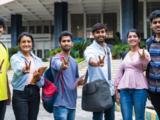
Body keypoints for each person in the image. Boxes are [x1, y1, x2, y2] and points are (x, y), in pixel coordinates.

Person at [114, 29, 151, 120]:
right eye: (130, 37)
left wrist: (143, 58)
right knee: (126, 118)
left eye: (135, 36)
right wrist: (116, 89)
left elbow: (147, 60)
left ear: (139, 39)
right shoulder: (125, 54)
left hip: (140, 89)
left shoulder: (143, 52)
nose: (132, 38)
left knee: (139, 117)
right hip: (124, 90)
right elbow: (119, 72)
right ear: (127, 40)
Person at [84, 23, 115, 120]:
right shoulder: (90, 49)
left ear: (106, 33)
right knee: (97, 117)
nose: (100, 34)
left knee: (110, 117)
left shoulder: (108, 49)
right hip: (97, 90)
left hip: (110, 90)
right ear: (93, 35)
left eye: (102, 32)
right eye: (97, 32)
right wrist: (96, 63)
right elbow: (90, 59)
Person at [10, 32, 44, 120]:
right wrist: (23, 70)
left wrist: (38, 78)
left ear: (32, 43)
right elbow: (18, 69)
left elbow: (42, 82)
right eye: (23, 42)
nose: (26, 44)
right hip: (20, 93)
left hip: (35, 92)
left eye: (29, 42)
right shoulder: (15, 58)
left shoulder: (38, 60)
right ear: (19, 44)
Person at [51, 31, 84, 120]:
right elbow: (58, 65)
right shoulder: (56, 58)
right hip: (60, 104)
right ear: (59, 44)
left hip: (72, 104)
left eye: (68, 41)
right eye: (64, 41)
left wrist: (80, 82)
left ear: (72, 43)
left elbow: (75, 79)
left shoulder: (74, 61)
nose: (66, 43)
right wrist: (62, 66)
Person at [146, 10, 160, 118]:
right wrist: (147, 88)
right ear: (151, 25)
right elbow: (148, 66)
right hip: (153, 89)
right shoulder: (148, 42)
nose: (158, 25)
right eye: (155, 22)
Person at [0, 16, 11, 120]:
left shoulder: (4, 47)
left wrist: (8, 92)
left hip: (2, 96)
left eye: (1, 26)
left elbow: (5, 73)